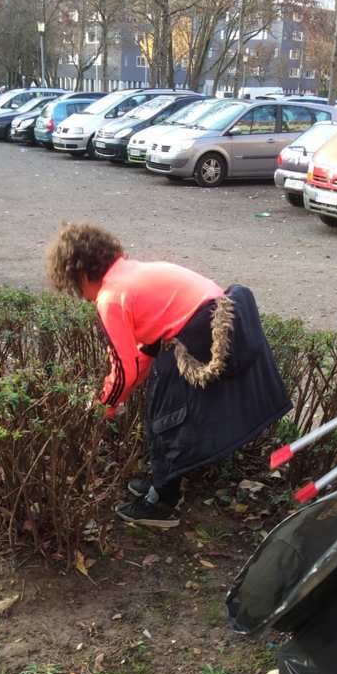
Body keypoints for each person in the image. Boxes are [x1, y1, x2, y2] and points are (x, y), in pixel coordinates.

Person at [46, 223, 291, 528]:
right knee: (167, 404)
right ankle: (163, 479)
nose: (82, 297)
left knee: (164, 414)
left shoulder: (111, 296)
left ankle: (161, 503)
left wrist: (105, 406)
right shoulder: (130, 273)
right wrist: (116, 394)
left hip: (203, 331)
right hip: (216, 321)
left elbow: (125, 368)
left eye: (76, 287)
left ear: (81, 273)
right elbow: (142, 354)